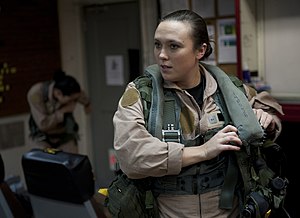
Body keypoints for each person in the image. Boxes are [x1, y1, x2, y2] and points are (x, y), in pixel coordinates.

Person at [112, 9, 284, 218]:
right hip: (169, 211)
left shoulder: (229, 89)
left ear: (200, 51)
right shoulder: (142, 94)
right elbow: (131, 157)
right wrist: (203, 151)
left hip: (230, 209)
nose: (162, 55)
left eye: (173, 46)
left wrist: (267, 120)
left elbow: (267, 108)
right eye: (158, 44)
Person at [27, 70, 91, 154]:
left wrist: (87, 104)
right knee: (43, 162)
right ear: (58, 94)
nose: (72, 102)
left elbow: (83, 98)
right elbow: (43, 124)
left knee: (72, 163)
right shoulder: (36, 94)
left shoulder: (72, 91)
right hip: (42, 137)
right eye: (70, 100)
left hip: (65, 134)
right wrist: (63, 111)